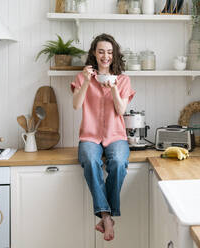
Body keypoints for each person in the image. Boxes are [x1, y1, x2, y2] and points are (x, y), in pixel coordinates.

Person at [71, 33, 135, 241]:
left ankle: (104, 215)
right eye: (101, 51)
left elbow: (120, 109)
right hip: (90, 136)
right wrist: (87, 83)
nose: (105, 56)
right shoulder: (83, 77)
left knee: (117, 162)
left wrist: (114, 88)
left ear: (114, 54)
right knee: (90, 160)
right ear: (94, 54)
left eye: (109, 52)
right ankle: (107, 217)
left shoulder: (123, 80)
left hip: (116, 136)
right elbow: (76, 105)